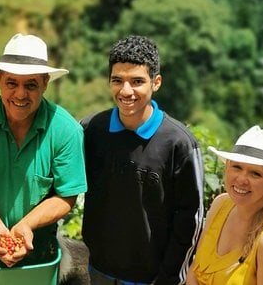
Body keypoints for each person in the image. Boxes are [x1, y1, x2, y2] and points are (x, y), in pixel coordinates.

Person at [0, 33, 88, 285]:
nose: (20, 94)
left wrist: (26, 226)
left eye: (31, 85)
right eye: (12, 83)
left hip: (41, 242)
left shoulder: (66, 130)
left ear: (45, 83)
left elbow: (66, 195)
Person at [81, 35, 205, 285]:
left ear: (156, 82)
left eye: (137, 81)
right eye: (117, 81)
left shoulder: (178, 142)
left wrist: (168, 277)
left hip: (151, 278)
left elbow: (191, 217)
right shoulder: (92, 130)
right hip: (96, 271)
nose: (126, 91)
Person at [186, 126, 263, 285]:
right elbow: (194, 271)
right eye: (237, 167)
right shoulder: (221, 204)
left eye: (255, 174)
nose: (242, 179)